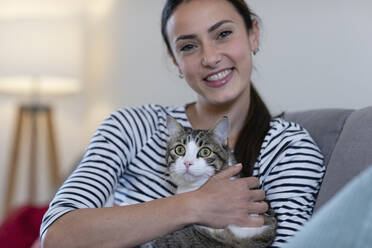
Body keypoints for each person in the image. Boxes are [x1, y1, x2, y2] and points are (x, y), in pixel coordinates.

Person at [40, 0, 325, 247]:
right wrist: (195, 205)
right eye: (189, 46)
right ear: (175, 61)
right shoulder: (132, 126)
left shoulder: (288, 148)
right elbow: (58, 236)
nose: (210, 58)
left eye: (223, 34)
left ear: (253, 35)